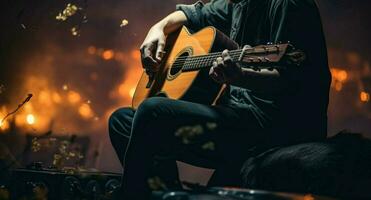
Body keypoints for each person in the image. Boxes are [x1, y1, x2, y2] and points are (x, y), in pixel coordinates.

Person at [108, 0, 331, 198]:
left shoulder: (290, 5)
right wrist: (157, 29)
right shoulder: (237, 4)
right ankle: (166, 194)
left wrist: (240, 77)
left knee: (151, 112)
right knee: (121, 120)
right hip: (238, 118)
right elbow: (189, 14)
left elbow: (292, 80)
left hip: (271, 128)